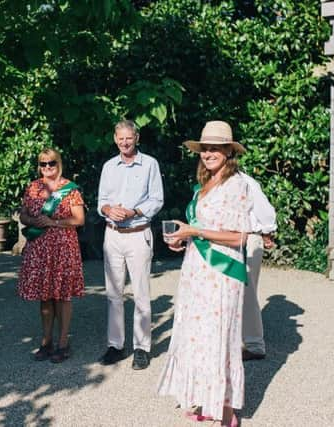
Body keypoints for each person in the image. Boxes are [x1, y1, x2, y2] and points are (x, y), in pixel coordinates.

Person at [156, 121, 251, 427]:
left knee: (220, 337)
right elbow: (201, 233)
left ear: (228, 151)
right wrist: (183, 240)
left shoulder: (237, 186)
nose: (208, 153)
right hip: (196, 270)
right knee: (197, 336)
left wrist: (194, 230)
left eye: (215, 148)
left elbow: (239, 237)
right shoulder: (204, 186)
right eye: (204, 148)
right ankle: (207, 400)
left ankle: (227, 411)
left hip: (221, 273)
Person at [97, 119, 164, 370]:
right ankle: (115, 345)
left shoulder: (150, 164)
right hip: (112, 234)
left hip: (138, 232)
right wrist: (108, 209)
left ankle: (142, 347)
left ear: (137, 138)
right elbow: (101, 200)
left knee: (141, 293)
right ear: (115, 139)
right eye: (120, 138)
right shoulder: (108, 167)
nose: (125, 142)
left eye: (129, 138)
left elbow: (157, 199)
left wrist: (134, 212)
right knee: (113, 293)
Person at [17, 148, 85, 364]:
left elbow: (79, 219)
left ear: (59, 163)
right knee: (45, 296)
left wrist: (54, 223)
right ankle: (46, 341)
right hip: (40, 248)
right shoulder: (34, 188)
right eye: (43, 164)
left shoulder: (69, 189)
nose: (47, 167)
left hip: (63, 248)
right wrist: (31, 221)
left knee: (63, 295)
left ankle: (63, 342)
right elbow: (24, 214)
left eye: (52, 163)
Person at [240, 174, 276, 361]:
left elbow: (264, 210)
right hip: (224, 240)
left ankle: (254, 344)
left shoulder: (246, 181)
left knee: (247, 291)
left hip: (249, 237)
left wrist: (267, 231)